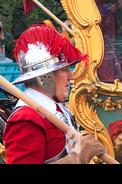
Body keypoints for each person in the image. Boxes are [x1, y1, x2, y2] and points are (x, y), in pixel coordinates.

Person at [3, 24, 106, 163]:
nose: (72, 76)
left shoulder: (55, 109)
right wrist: (78, 157)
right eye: (64, 70)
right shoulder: (26, 119)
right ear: (45, 77)